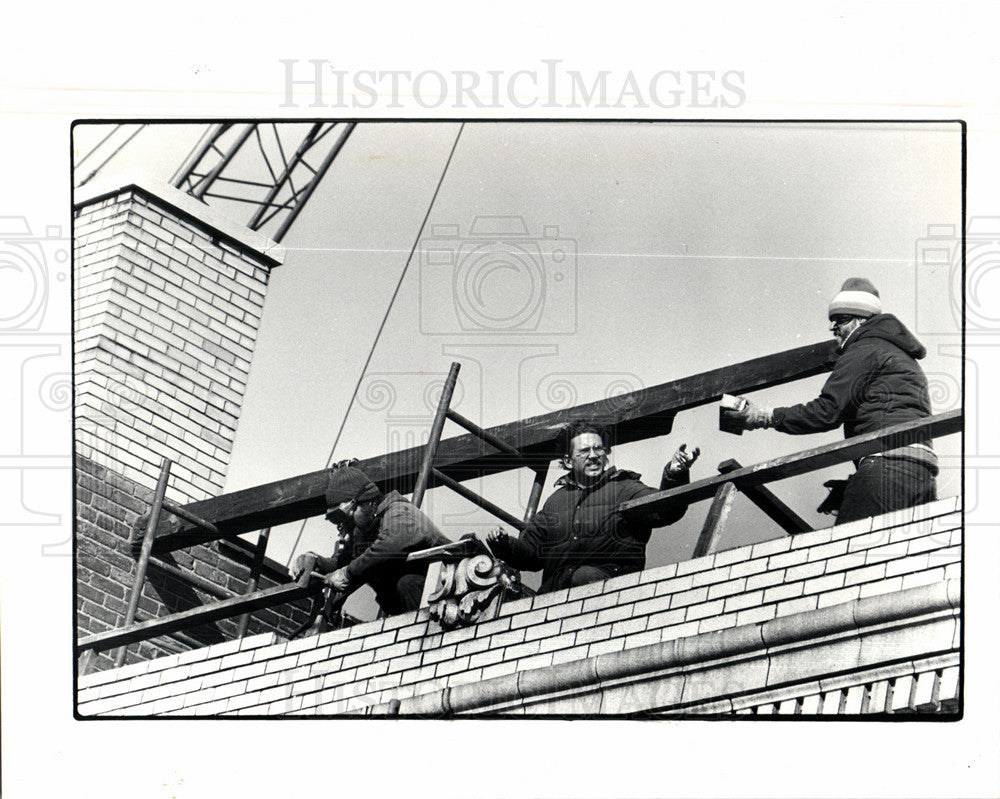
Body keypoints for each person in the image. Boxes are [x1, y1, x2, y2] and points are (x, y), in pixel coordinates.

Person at [734, 277, 938, 523]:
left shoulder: (865, 348)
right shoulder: (898, 353)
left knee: (854, 554)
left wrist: (764, 416)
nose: (833, 328)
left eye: (840, 320)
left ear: (860, 321)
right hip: (921, 471)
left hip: (887, 463)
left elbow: (827, 411)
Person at [487, 421, 700, 593]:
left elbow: (664, 510)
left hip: (613, 593)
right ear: (568, 461)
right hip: (555, 600)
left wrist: (675, 474)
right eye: (585, 450)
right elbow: (532, 554)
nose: (593, 455)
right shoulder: (555, 502)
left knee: (583, 576)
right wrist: (504, 544)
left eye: (598, 448)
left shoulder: (624, 487)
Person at [289, 465, 451, 615]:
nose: (347, 522)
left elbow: (390, 545)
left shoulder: (399, 512)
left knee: (407, 583)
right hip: (408, 604)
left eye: (349, 513)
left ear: (370, 502)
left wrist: (348, 573)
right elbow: (344, 563)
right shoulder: (363, 531)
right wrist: (316, 562)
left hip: (447, 592)